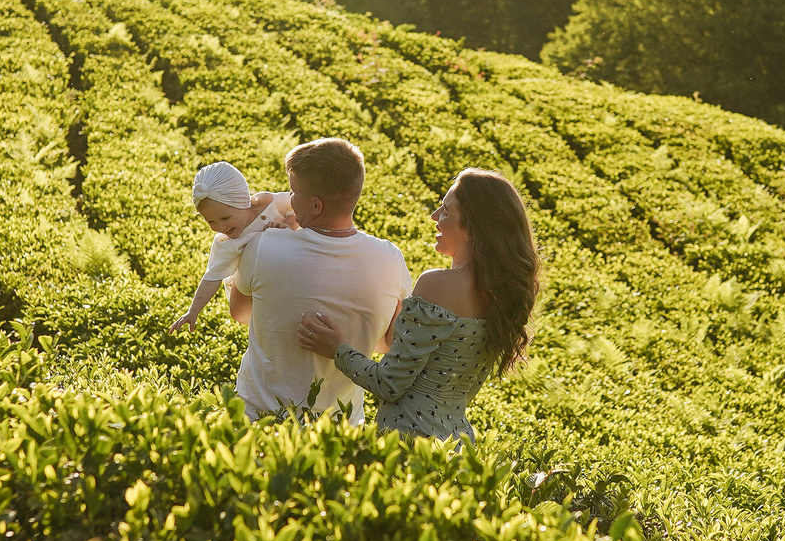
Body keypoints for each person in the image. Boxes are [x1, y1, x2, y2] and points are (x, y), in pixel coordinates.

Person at [296, 168, 540, 442]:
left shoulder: (438, 284)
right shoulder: (501, 295)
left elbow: (388, 384)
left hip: (410, 445)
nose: (435, 216)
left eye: (446, 211)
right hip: (456, 444)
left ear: (472, 228)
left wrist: (337, 348)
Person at [228, 138, 412, 423]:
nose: (287, 199)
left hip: (259, 421)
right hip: (339, 429)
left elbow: (239, 313)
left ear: (315, 205)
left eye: (293, 191)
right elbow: (388, 343)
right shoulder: (391, 258)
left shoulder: (265, 247)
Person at [172, 161, 295, 331]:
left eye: (225, 218)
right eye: (211, 221)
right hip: (250, 295)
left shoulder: (270, 204)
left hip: (288, 268)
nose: (220, 227)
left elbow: (295, 204)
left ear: (243, 201)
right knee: (272, 322)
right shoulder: (226, 242)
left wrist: (290, 224)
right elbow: (212, 276)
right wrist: (192, 311)